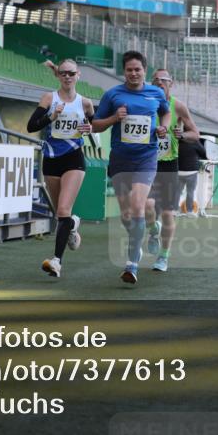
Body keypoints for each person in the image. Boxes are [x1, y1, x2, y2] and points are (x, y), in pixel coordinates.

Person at [91, 51, 170, 285]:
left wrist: (163, 128)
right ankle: (153, 227)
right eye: (129, 70)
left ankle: (132, 264)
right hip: (120, 159)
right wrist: (114, 118)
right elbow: (94, 125)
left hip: (146, 157)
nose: (133, 73)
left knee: (137, 207)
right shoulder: (112, 95)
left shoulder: (155, 92)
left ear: (145, 70)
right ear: (123, 71)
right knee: (128, 215)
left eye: (138, 69)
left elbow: (165, 112)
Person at [27, 58, 94, 278]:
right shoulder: (49, 98)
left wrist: (89, 128)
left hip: (74, 158)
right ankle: (72, 226)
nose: (67, 76)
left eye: (71, 73)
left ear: (78, 75)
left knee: (63, 210)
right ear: (58, 75)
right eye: (63, 73)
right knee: (61, 214)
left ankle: (57, 261)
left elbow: (95, 126)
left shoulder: (85, 103)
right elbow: (31, 126)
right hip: (52, 158)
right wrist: (51, 116)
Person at [144, 69, 200, 272]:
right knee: (147, 206)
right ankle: (152, 229)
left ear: (171, 83)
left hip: (169, 165)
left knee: (168, 214)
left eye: (163, 80)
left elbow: (195, 133)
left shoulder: (178, 106)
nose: (159, 83)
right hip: (146, 163)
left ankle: (163, 257)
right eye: (155, 80)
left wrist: (182, 134)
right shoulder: (144, 101)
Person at [178, 138, 208, 216]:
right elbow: (204, 153)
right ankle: (189, 211)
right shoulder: (195, 141)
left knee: (177, 192)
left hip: (179, 170)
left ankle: (174, 210)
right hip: (191, 171)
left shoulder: (177, 140)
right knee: (190, 192)